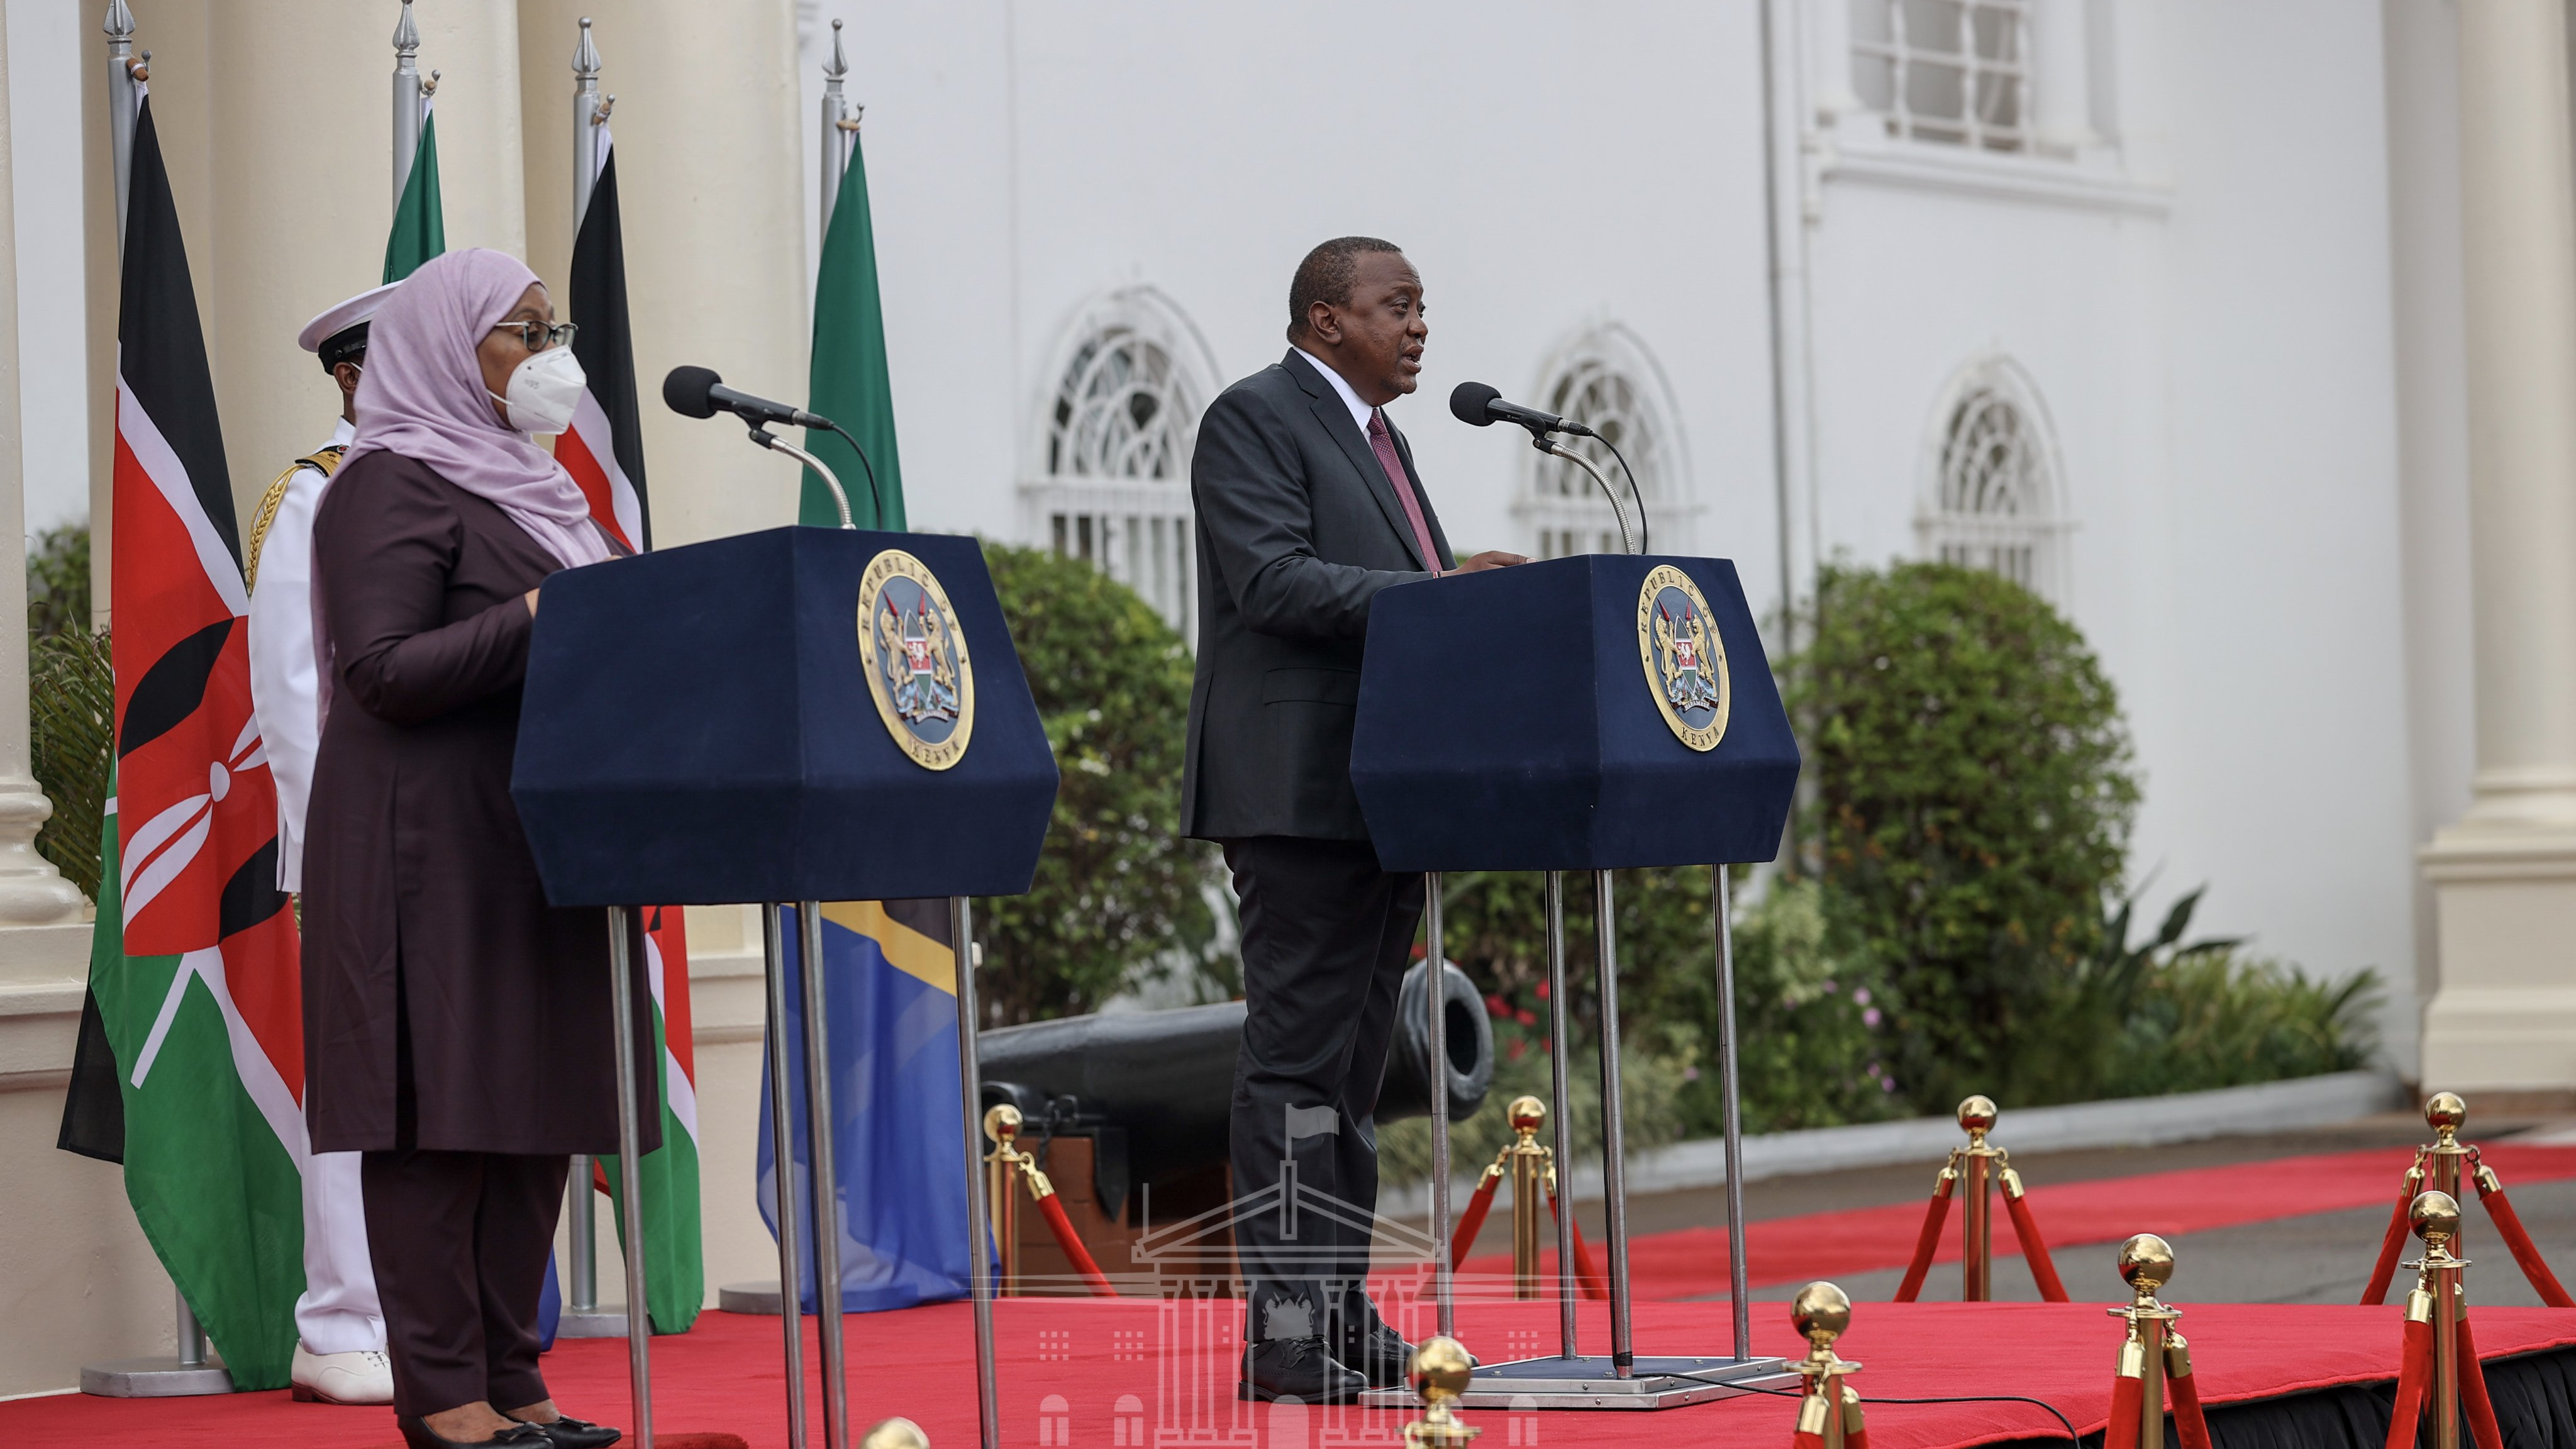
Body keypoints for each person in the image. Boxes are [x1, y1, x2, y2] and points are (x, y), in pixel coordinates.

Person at [301, 247, 635, 1449]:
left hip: (537, 844)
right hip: (426, 852)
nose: (551, 356)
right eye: (524, 332)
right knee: (438, 1124)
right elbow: (382, 673)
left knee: (530, 1118)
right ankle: (444, 1394)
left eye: (555, 331)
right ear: (450, 348)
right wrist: (543, 616)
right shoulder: (388, 484)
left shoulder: (535, 493)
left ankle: (513, 1376)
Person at [1184, 236, 1524, 1402]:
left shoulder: (1383, 439)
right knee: (1295, 1070)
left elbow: (1400, 600)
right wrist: (1441, 594)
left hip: (1381, 793)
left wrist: (1462, 603)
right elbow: (1272, 581)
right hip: (1298, 795)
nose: (1420, 326)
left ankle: (1334, 1309)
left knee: (1353, 1075)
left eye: (1423, 307)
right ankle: (1282, 1337)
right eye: (1398, 306)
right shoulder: (1254, 417)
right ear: (1328, 319)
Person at [247, 280, 401, 1407]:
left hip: (455, 839)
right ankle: (341, 1323)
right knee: (357, 1086)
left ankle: (433, 1314)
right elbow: (293, 692)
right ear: (351, 375)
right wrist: (336, 844)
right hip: (362, 839)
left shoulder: (466, 478)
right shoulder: (316, 492)